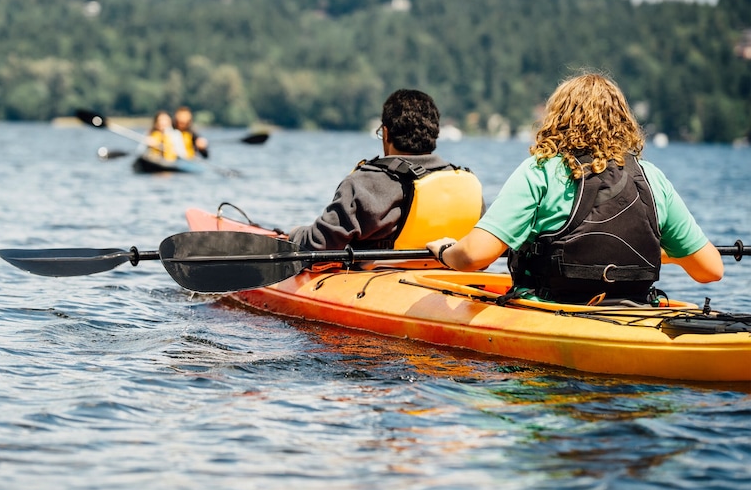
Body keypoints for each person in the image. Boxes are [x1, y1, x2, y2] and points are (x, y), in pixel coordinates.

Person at [427, 71, 724, 304]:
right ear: (622, 121)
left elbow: (472, 257)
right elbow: (711, 270)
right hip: (634, 311)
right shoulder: (651, 177)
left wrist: (444, 252)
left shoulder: (541, 171)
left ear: (558, 118)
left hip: (553, 309)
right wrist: (659, 254)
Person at [286, 89, 483, 251]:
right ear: (434, 133)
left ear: (386, 133)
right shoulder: (468, 185)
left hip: (377, 285)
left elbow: (318, 244)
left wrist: (295, 234)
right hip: (451, 282)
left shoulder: (363, 184)